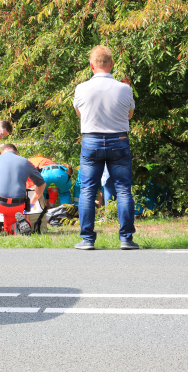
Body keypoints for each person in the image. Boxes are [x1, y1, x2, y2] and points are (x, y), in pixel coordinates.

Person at [72, 45, 138, 250]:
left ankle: (87, 239)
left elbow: (80, 113)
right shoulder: (124, 88)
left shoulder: (81, 88)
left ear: (91, 65)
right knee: (123, 189)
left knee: (88, 190)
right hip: (119, 140)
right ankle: (126, 239)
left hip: (91, 141)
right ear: (111, 64)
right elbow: (129, 115)